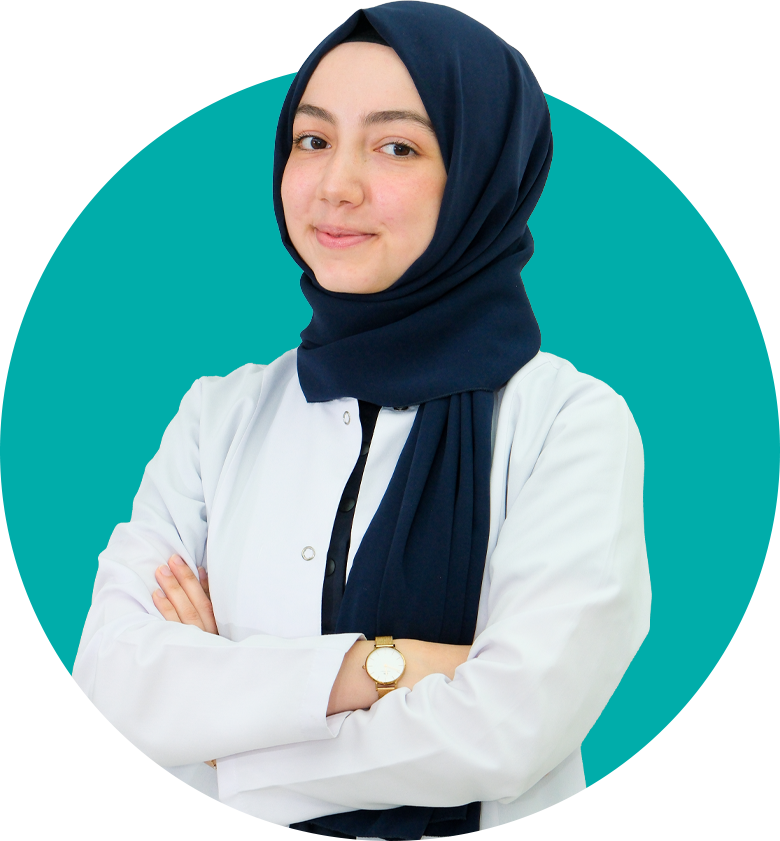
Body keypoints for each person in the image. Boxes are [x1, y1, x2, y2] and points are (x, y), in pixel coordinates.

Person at [72, 3, 651, 841]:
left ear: (482, 176)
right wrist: (389, 666)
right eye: (312, 139)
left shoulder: (570, 424)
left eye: (397, 147)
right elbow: (120, 685)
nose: (335, 185)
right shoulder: (218, 415)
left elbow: (509, 725)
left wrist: (229, 727)